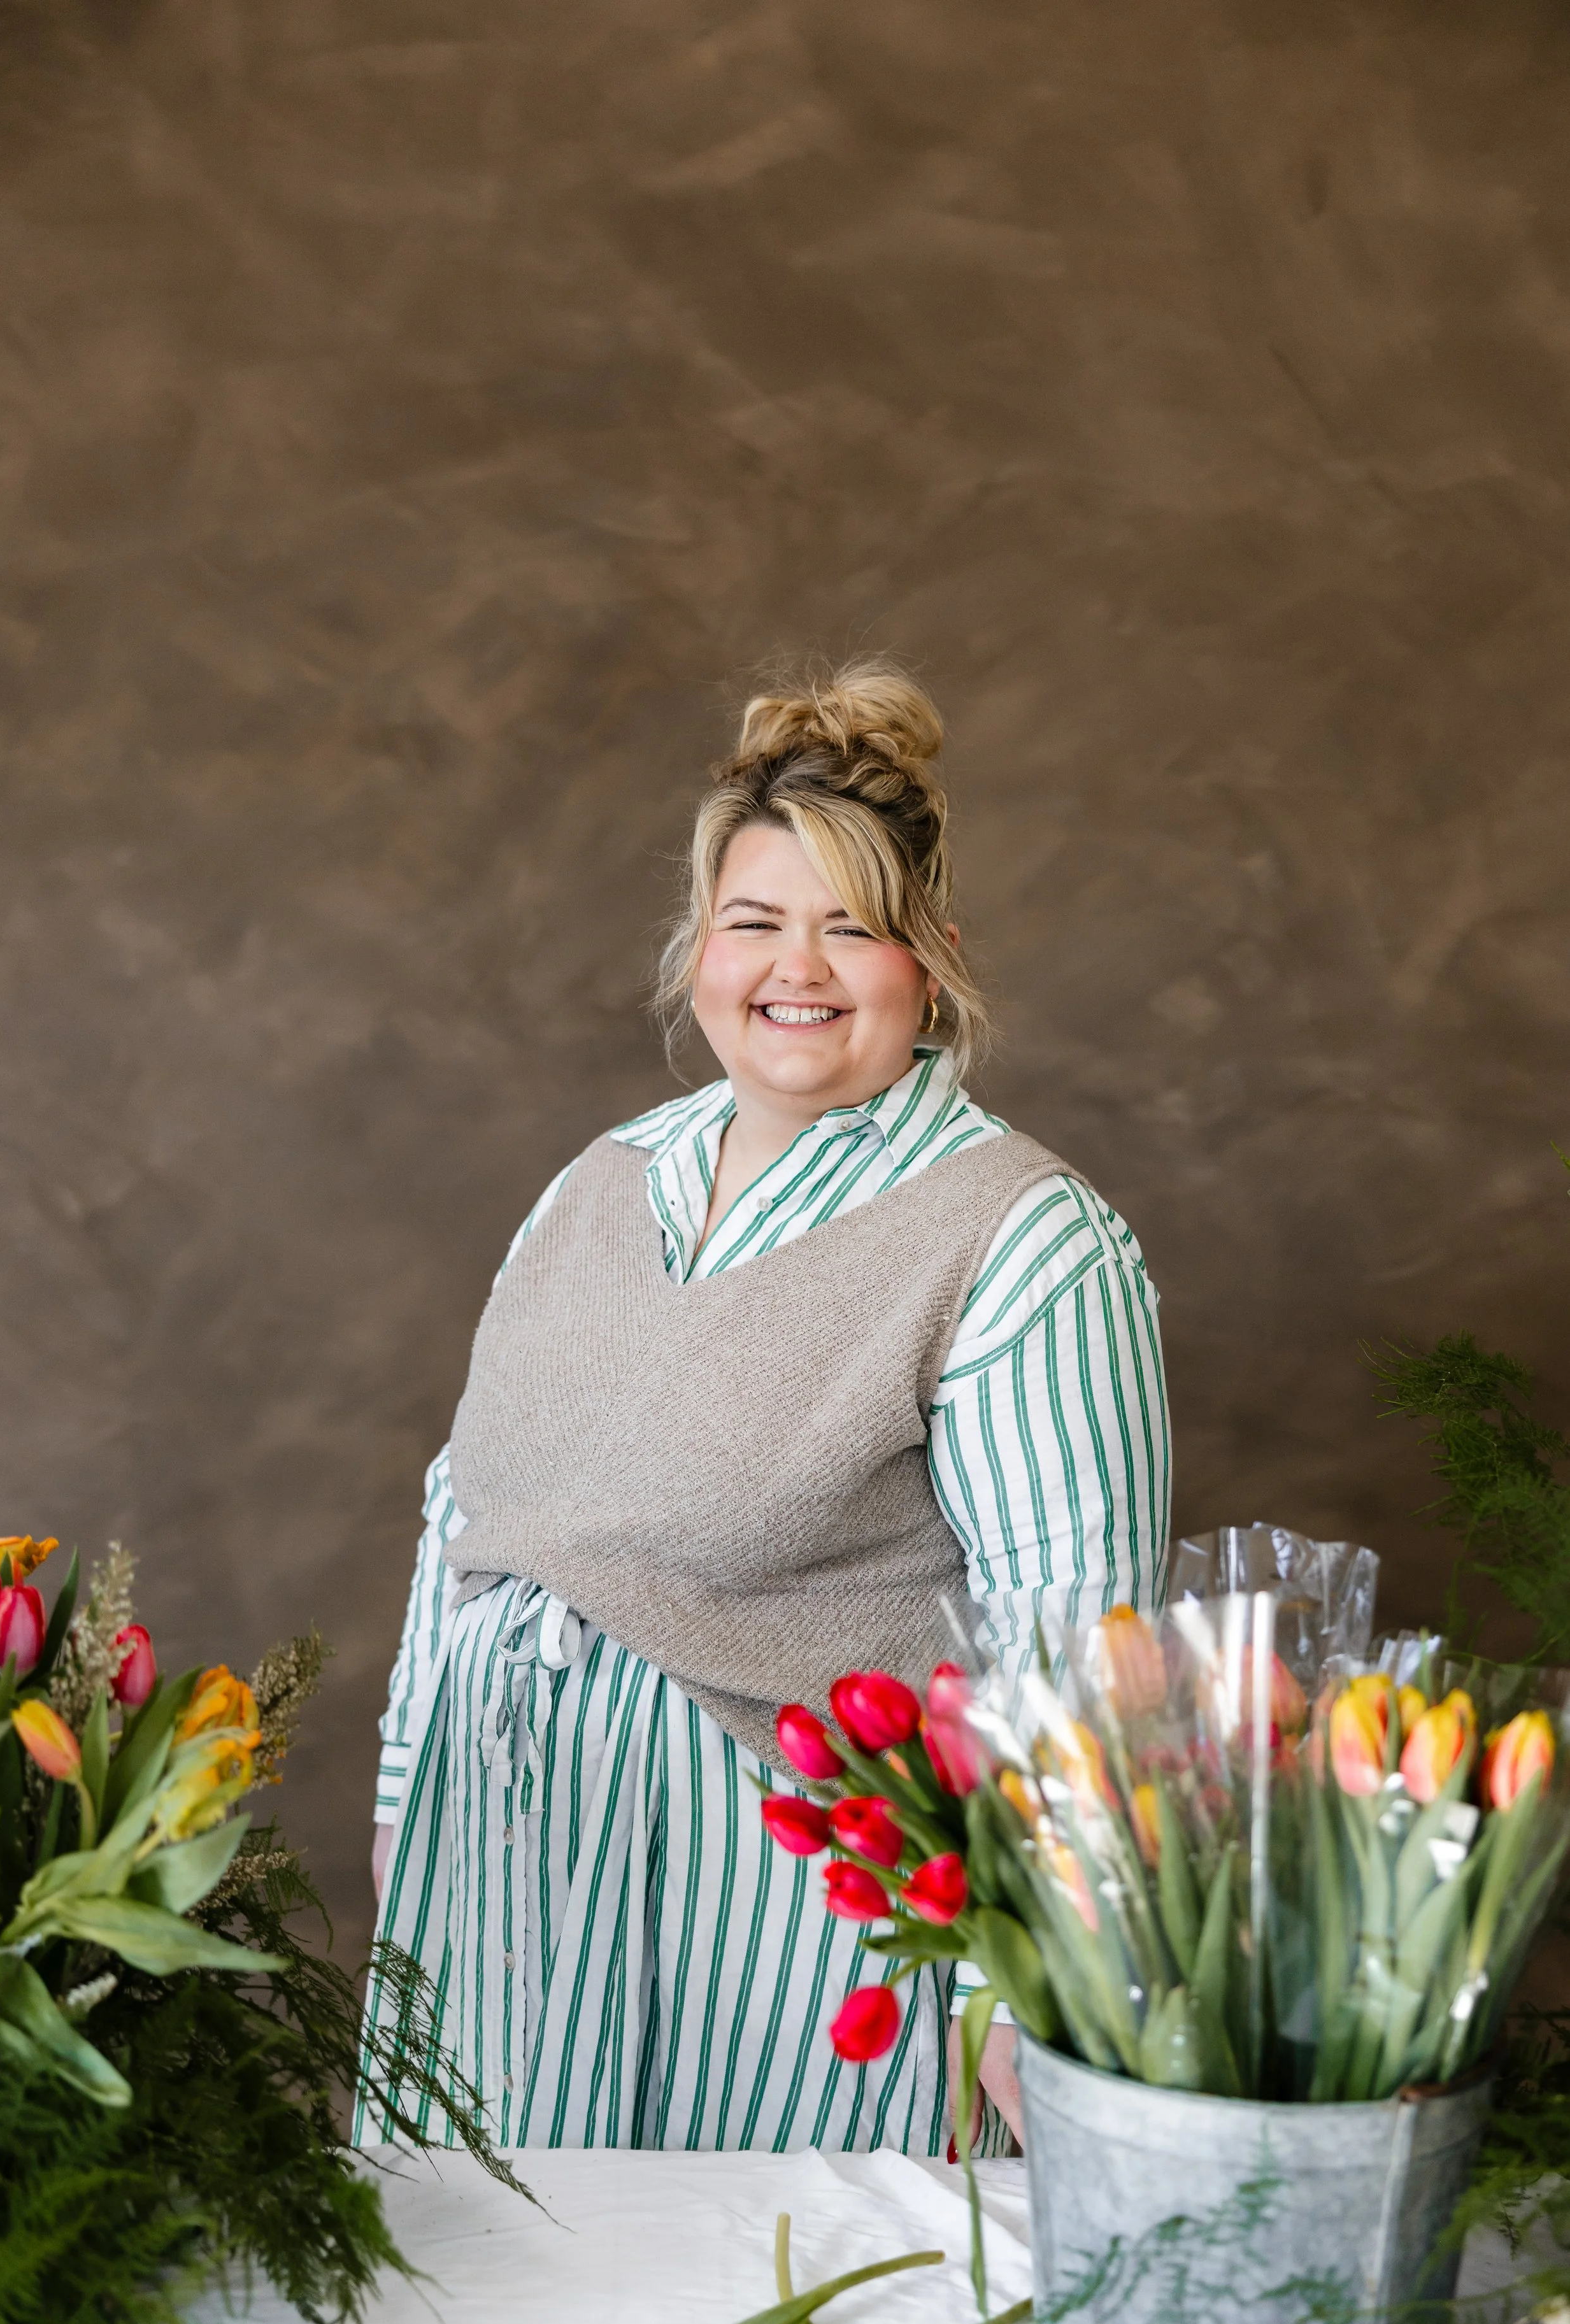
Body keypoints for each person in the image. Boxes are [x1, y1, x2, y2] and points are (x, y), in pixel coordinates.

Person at [355, 662, 1169, 2156]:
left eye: (849, 928)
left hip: (788, 1940)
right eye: (755, 922)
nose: (796, 966)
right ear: (699, 952)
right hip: (498, 1897)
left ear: (930, 959)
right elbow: (458, 1523)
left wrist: (1028, 1990)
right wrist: (412, 1814)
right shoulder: (598, 1183)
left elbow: (1071, 1659)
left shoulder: (1020, 1237)